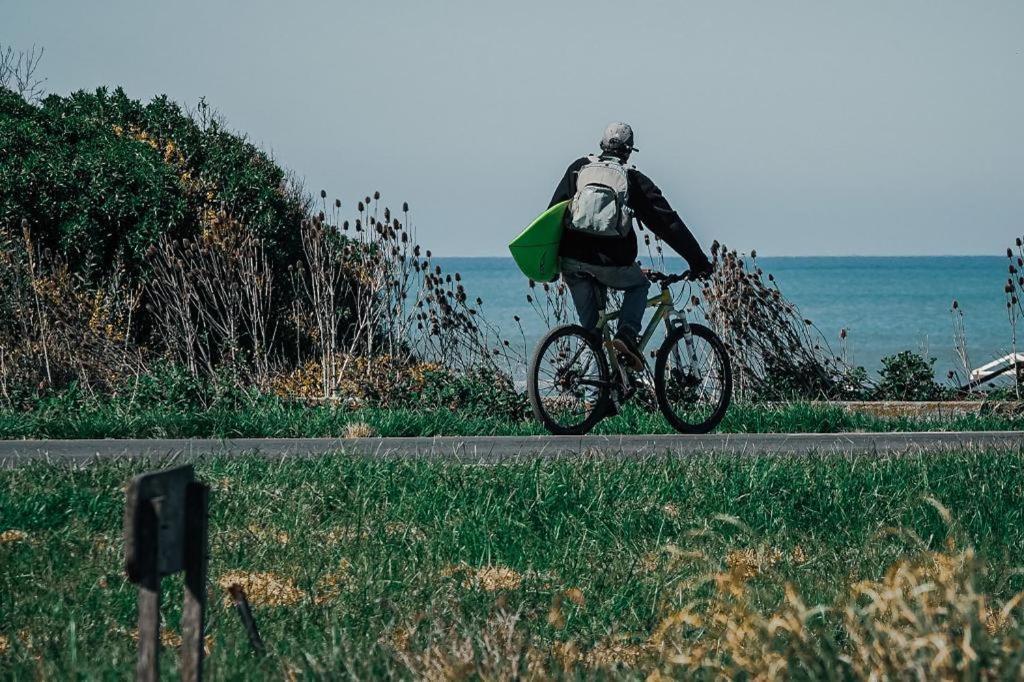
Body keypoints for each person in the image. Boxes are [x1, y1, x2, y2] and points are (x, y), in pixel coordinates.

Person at [549, 122, 713, 368]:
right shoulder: (631, 180)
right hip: (612, 264)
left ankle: (597, 401)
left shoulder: (578, 170)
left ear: (602, 145)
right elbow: (667, 223)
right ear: (628, 151)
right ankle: (626, 335)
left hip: (572, 262)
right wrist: (697, 261)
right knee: (639, 285)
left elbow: (552, 215)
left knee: (591, 333)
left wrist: (548, 265)